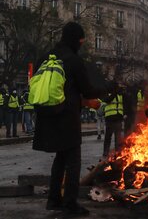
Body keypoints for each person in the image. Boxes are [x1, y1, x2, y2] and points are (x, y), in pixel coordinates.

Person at [33, 22, 102, 216]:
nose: (81, 43)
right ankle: (70, 203)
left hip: (48, 116)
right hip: (67, 118)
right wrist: (108, 89)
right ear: (75, 39)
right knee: (73, 161)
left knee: (60, 159)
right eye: (81, 40)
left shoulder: (45, 57)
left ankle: (53, 199)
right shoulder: (73, 60)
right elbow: (87, 90)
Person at [102, 84, 124, 157]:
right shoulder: (106, 94)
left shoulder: (120, 95)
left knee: (118, 137)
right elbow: (108, 100)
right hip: (110, 119)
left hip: (118, 118)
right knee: (108, 136)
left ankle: (117, 152)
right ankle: (106, 152)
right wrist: (115, 92)